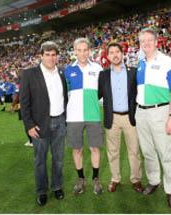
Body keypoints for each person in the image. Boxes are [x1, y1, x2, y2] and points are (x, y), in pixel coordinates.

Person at [135, 28, 171, 212]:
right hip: (141, 113)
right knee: (148, 152)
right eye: (143, 40)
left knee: (165, 154)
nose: (146, 43)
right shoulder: (140, 63)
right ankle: (154, 181)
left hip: (160, 112)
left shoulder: (166, 61)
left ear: (156, 42)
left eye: (149, 40)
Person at [20, 41, 68, 206]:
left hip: (60, 122)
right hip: (40, 125)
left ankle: (57, 187)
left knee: (59, 159)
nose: (50, 58)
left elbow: (64, 97)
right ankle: (41, 191)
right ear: (41, 56)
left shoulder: (61, 72)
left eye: (53, 54)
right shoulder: (29, 74)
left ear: (57, 56)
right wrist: (29, 125)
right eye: (47, 54)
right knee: (40, 161)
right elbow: (24, 103)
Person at [98, 42, 143, 193]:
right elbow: (98, 95)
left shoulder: (133, 72)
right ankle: (115, 178)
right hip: (112, 118)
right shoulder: (103, 75)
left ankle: (136, 180)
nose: (115, 55)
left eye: (117, 51)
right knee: (113, 151)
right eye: (111, 52)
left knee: (134, 151)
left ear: (122, 54)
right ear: (108, 56)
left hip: (131, 118)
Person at [64, 38, 104, 195]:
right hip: (73, 117)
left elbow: (101, 91)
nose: (82, 53)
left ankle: (95, 178)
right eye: (79, 50)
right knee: (77, 149)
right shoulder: (67, 70)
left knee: (95, 148)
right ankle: (80, 178)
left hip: (93, 115)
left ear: (89, 51)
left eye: (85, 50)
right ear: (74, 51)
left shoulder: (98, 68)